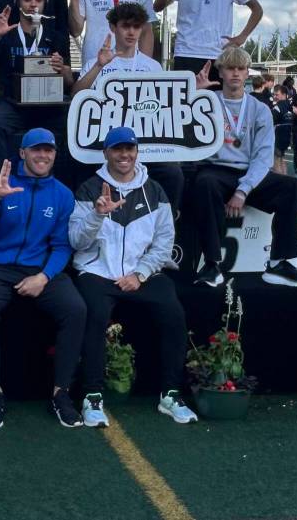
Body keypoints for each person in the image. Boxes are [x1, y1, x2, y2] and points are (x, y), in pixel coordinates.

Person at [69, 126, 195, 428]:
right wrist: (97, 215)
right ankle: (92, 396)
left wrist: (140, 274)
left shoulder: (155, 190)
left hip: (142, 274)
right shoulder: (89, 189)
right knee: (94, 314)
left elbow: (164, 242)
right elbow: (76, 242)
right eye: (117, 149)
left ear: (137, 152)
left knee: (173, 312)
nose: (124, 155)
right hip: (97, 272)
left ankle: (170, 393)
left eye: (129, 149)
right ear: (106, 153)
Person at [0, 129, 86, 429]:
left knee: (76, 309)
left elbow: (61, 246)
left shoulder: (62, 194)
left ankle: (61, 393)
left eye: (48, 150)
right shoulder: (2, 182)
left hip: (39, 268)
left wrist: (43, 277)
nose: (42, 156)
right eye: (36, 150)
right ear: (22, 153)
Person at [191, 47, 297, 287]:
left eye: (240, 69)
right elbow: (177, 126)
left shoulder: (260, 109)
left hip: (249, 172)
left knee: (292, 186)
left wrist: (243, 190)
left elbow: (264, 156)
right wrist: (193, 95)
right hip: (216, 170)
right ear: (220, 72)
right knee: (204, 183)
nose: (235, 73)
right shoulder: (206, 101)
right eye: (229, 68)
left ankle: (279, 263)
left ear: (247, 74)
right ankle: (212, 265)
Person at [71, 2, 184, 210]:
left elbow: (165, 108)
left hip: (144, 144)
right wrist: (99, 66)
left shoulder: (152, 67)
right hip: (104, 142)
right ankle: (84, 219)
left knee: (173, 173)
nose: (131, 32)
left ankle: (169, 224)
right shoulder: (98, 61)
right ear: (114, 28)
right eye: (125, 26)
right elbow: (77, 95)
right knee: (79, 164)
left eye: (136, 26)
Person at [0, 0, 73, 181]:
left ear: (45, 2)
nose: (33, 4)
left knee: (70, 126)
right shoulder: (7, 33)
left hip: (48, 105)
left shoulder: (55, 36)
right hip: (13, 105)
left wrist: (62, 69)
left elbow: (69, 83)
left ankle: (63, 188)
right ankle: (2, 182)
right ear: (17, 0)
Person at [271, 85, 294, 174]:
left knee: (276, 161)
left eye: (277, 95)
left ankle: (280, 182)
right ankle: (285, 178)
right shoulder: (291, 106)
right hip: (288, 136)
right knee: (282, 159)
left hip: (278, 136)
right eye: (274, 95)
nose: (275, 97)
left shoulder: (277, 107)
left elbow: (270, 121)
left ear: (284, 94)